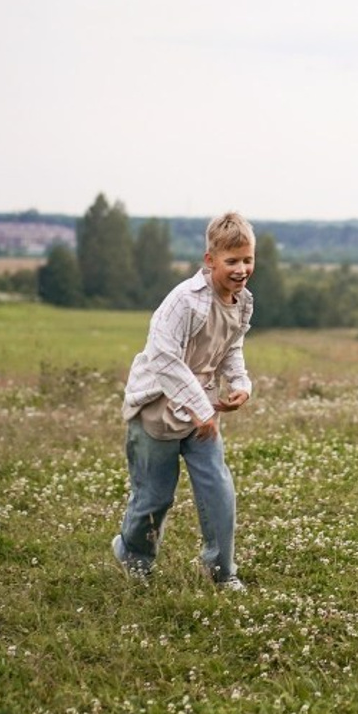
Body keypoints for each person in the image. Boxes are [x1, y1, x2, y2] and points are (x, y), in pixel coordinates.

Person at [111, 211, 256, 590]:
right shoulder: (184, 301)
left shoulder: (242, 302)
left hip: (202, 411)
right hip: (157, 407)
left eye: (247, 260)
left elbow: (231, 347)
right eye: (232, 261)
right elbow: (163, 358)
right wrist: (199, 406)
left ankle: (221, 571)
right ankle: (134, 558)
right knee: (154, 497)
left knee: (218, 490)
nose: (241, 269)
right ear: (210, 260)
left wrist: (240, 383)